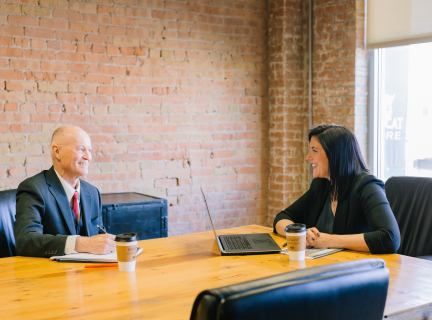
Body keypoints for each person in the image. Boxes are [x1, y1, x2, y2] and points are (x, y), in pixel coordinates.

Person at [273, 124, 401, 254]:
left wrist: (328, 240)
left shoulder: (368, 187)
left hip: (359, 268)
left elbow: (390, 238)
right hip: (326, 266)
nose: (308, 157)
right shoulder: (321, 185)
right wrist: (301, 235)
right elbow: (282, 217)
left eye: (314, 150)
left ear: (335, 154)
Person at [14, 125, 116, 257]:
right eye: (81, 149)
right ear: (57, 152)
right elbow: (25, 241)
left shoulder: (92, 192)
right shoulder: (33, 188)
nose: (88, 157)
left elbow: (98, 237)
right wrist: (80, 244)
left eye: (89, 150)